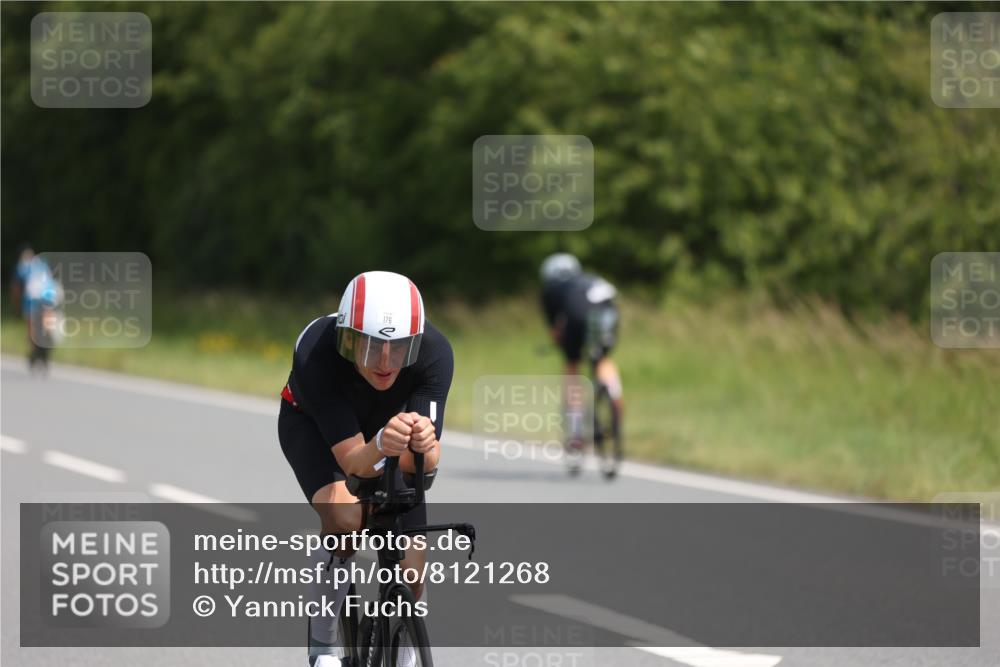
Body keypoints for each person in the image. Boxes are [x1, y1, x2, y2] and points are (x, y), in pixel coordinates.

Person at [278, 271, 453, 667]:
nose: (386, 363)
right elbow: (354, 463)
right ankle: (322, 649)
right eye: (373, 348)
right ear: (349, 339)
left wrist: (426, 446)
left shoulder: (435, 353)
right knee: (345, 518)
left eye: (400, 348)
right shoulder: (316, 352)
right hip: (316, 429)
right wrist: (380, 445)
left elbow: (421, 466)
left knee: (412, 569)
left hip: (387, 436)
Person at [539, 253, 623, 454]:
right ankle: (614, 397)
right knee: (602, 359)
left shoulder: (550, 289)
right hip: (607, 314)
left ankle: (576, 431)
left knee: (572, 366)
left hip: (577, 318)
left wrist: (563, 344)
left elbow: (555, 330)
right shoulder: (590, 278)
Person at [10, 245, 62, 374]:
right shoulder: (42, 263)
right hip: (49, 298)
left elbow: (16, 289)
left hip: (33, 301)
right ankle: (43, 350)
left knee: (32, 332)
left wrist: (15, 307)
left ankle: (36, 353)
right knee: (46, 328)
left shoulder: (22, 267)